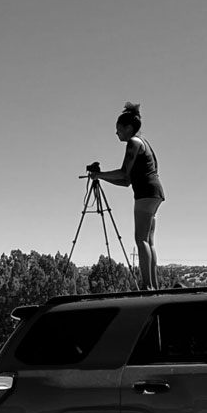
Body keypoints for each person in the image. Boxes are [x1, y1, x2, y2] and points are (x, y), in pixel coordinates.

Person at [90, 102, 165, 290]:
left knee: (141, 240)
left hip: (146, 193)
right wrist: (102, 177)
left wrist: (99, 175)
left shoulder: (134, 142)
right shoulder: (144, 142)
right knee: (148, 241)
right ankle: (153, 285)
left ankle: (148, 287)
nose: (117, 133)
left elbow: (124, 173)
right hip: (154, 192)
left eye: (119, 130)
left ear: (128, 128)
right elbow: (126, 181)